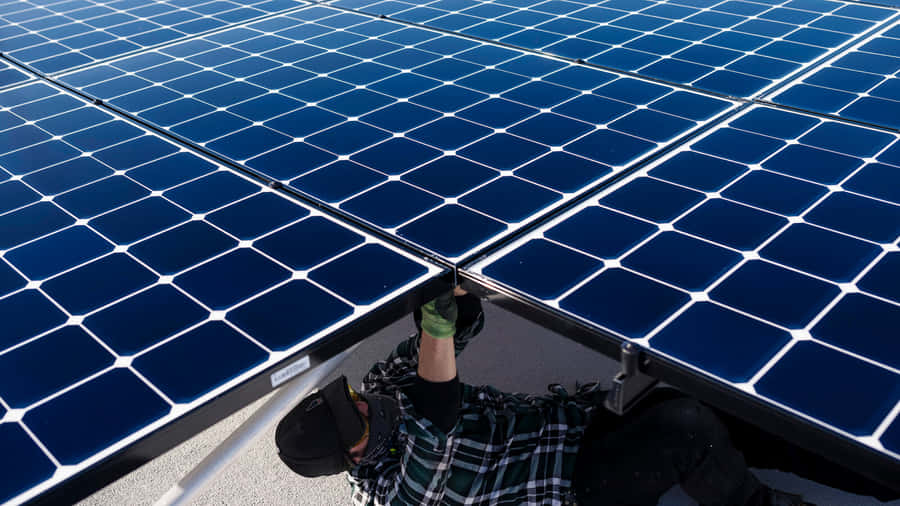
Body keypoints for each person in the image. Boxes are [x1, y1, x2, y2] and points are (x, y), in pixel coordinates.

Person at [274, 289, 895, 505]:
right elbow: (439, 419)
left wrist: (451, 310)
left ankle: (875, 469)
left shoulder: (379, 395)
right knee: (685, 427)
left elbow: (437, 347)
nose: (359, 402)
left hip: (569, 423)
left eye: (345, 396)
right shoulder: (400, 494)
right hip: (573, 487)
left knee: (722, 407)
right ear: (356, 458)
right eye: (350, 418)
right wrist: (436, 334)